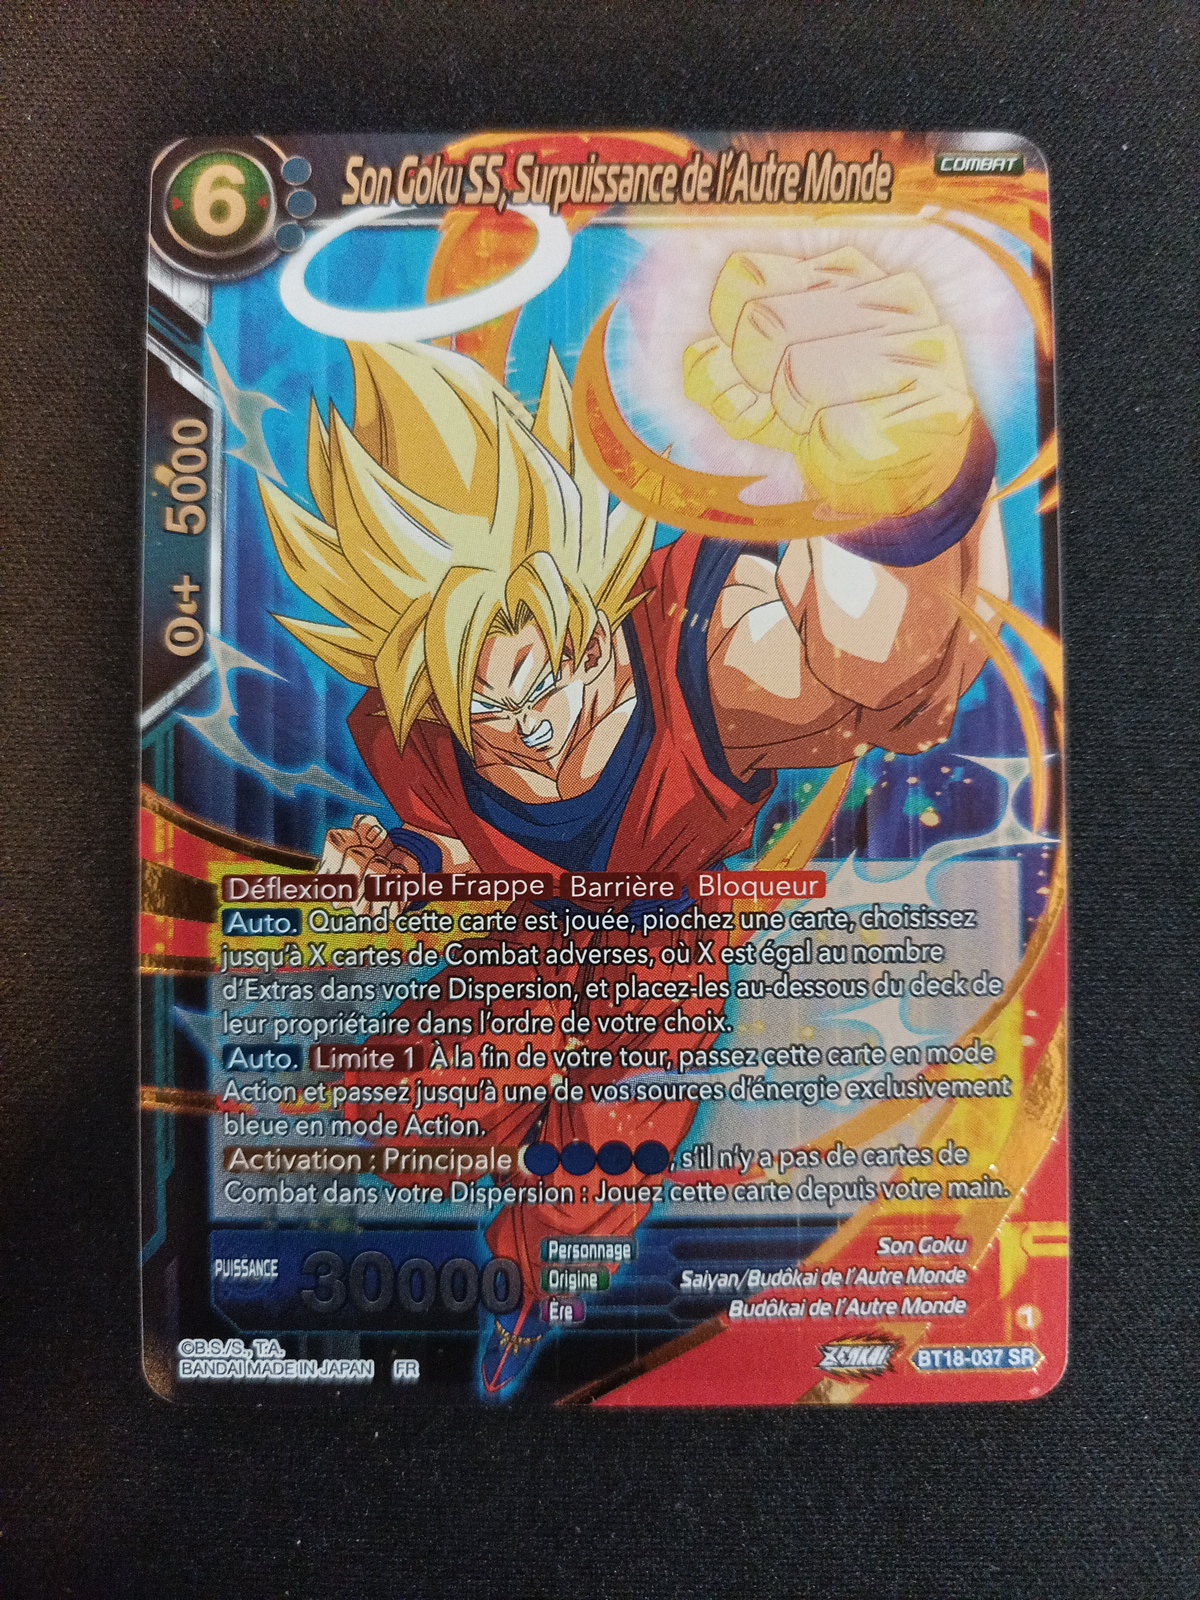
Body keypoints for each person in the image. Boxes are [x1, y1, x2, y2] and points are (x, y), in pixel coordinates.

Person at [261, 246, 1008, 1398]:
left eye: (562, 671)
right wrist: (395, 867)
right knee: (416, 1108)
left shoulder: (697, 648)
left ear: (595, 598)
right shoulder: (417, 728)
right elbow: (451, 839)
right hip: (530, 944)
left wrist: (904, 483)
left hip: (662, 934)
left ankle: (535, 1289)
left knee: (617, 1109)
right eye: (495, 710)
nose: (542, 728)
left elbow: (871, 682)